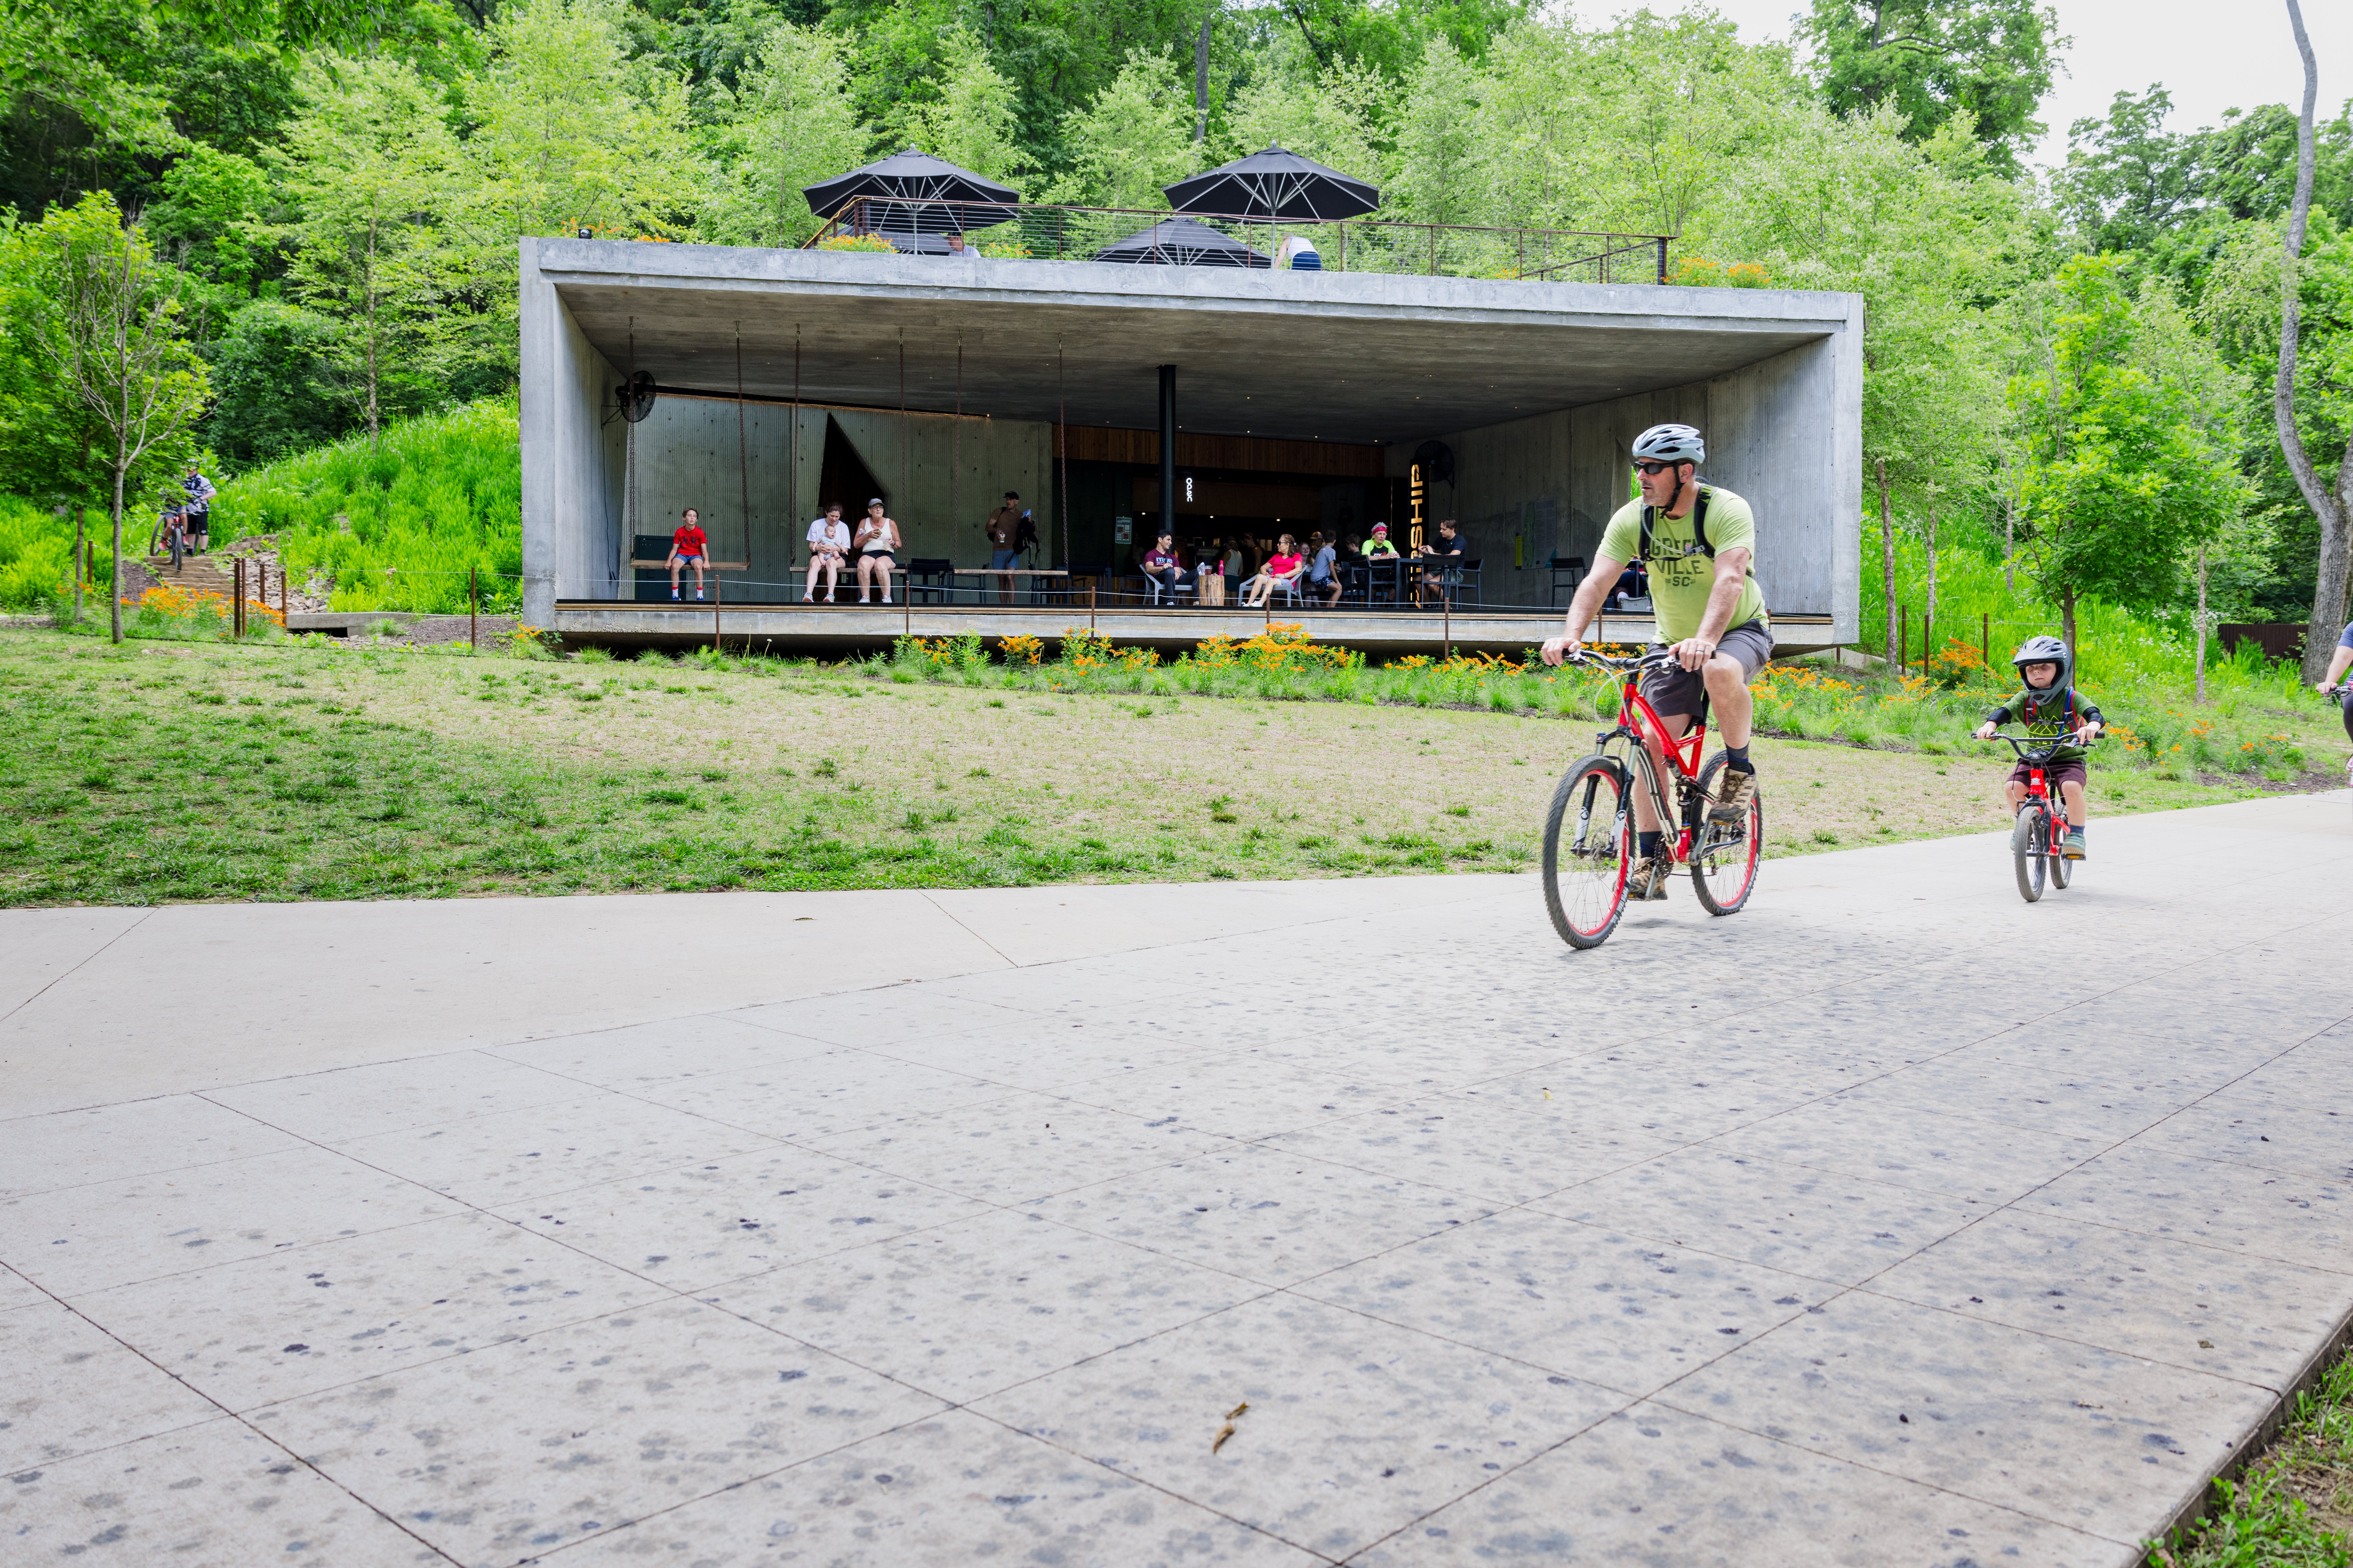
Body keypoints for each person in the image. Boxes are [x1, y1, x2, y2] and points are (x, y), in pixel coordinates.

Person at [1540, 423, 1773, 901]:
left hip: (1738, 631)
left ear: (1685, 472)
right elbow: (1597, 581)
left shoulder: (1725, 510)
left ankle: (1738, 772)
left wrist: (1707, 640)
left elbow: (1730, 579)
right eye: (1638, 468)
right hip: (1671, 642)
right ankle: (1652, 858)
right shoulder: (1634, 519)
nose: (1641, 477)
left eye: (1652, 469)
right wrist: (1570, 635)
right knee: (1647, 744)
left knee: (1718, 669)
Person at [1974, 635, 2103, 860]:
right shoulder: (2025, 698)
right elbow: (2003, 712)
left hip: (2068, 758)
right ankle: (2026, 826)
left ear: (2061, 669)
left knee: (2072, 787)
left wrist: (2091, 727)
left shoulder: (2070, 697)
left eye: (2044, 667)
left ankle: (2076, 835)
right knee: (2012, 788)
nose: (2037, 672)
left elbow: (2094, 714)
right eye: (2031, 668)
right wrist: (1990, 725)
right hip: (2034, 757)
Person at [854, 498, 900, 603]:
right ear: (870, 511)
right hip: (869, 553)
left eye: (881, 507)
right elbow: (856, 544)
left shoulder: (891, 523)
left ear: (883, 510)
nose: (879, 510)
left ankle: (887, 597)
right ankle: (866, 598)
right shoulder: (864, 522)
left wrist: (893, 543)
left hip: (887, 554)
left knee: (880, 564)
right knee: (863, 564)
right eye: (875, 507)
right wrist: (868, 535)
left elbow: (899, 544)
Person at [1243, 533, 1306, 607]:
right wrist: (1265, 574)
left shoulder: (1296, 556)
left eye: (1280, 543)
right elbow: (1263, 567)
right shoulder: (1277, 556)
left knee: (1271, 581)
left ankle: (1260, 603)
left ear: (1287, 545)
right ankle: (1248, 604)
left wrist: (1284, 576)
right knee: (1260, 577)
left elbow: (1299, 569)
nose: (1278, 545)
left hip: (1288, 581)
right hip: (1273, 579)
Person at [805, 502, 850, 602]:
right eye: (832, 516)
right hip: (820, 554)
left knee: (832, 563)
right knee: (814, 564)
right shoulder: (816, 524)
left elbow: (845, 549)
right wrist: (819, 548)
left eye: (837, 517)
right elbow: (811, 546)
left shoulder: (844, 527)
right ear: (826, 513)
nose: (834, 519)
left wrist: (835, 549)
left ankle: (830, 595)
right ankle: (808, 594)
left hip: (838, 556)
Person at [986, 491, 1023, 604]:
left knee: (1010, 576)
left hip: (1013, 550)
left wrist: (1030, 522)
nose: (1008, 501)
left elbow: (1032, 531)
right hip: (998, 549)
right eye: (1007, 499)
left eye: (1011, 499)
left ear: (1017, 502)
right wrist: (996, 529)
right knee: (1001, 579)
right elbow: (988, 527)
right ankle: (1004, 607)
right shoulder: (999, 511)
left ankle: (1012, 606)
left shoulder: (1021, 515)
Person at [668, 508, 708, 601]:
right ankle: (675, 596)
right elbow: (674, 549)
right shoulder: (679, 531)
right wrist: (669, 561)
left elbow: (705, 550)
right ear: (684, 518)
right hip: (682, 554)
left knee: (699, 567)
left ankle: (700, 596)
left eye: (694, 516)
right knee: (674, 567)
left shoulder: (700, 532)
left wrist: (706, 562)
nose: (692, 518)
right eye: (689, 516)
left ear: (697, 520)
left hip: (696, 555)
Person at [1139, 531, 1191, 603]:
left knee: (1196, 572)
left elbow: (1180, 573)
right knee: (1170, 571)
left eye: (1171, 541)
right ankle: (1170, 603)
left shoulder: (1173, 557)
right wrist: (1163, 568)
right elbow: (1148, 569)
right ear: (1160, 540)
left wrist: (1178, 574)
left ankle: (1196, 604)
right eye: (1168, 540)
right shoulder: (1151, 554)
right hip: (1158, 580)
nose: (1171, 543)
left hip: (1173, 580)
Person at [1423, 518, 1466, 605]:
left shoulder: (1460, 540)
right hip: (1443, 570)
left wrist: (1432, 553)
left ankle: (1448, 608)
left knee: (1432, 584)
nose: (1441, 531)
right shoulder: (1441, 538)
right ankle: (1428, 606)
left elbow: (1452, 557)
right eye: (1441, 528)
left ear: (1452, 529)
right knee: (1419, 579)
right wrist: (1425, 550)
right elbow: (1432, 551)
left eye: (1444, 529)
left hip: (1456, 573)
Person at [182, 464, 216, 554]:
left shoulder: (202, 480)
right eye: (189, 469)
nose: (191, 471)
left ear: (197, 469)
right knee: (189, 531)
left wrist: (201, 499)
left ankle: (202, 552)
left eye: (193, 469)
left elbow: (213, 492)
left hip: (202, 509)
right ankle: (189, 552)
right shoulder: (183, 479)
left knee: (203, 531)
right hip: (188, 508)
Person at [1303, 530, 1341, 606]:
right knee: (1339, 589)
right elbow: (1332, 568)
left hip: (1315, 578)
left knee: (1335, 591)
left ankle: (1327, 610)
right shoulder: (1331, 551)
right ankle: (1330, 612)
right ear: (1335, 541)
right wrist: (1338, 582)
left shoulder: (1322, 550)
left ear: (1324, 540)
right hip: (1320, 578)